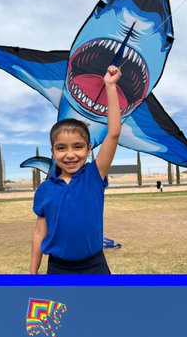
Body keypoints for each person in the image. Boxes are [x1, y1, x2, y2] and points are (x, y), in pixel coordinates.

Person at [31, 64, 121, 274]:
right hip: (58, 267)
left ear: (88, 150)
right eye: (61, 148)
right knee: (61, 308)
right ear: (52, 152)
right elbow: (39, 233)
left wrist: (110, 86)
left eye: (78, 147)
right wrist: (32, 275)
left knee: (104, 308)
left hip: (95, 265)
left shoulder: (94, 175)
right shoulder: (44, 189)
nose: (70, 155)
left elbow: (114, 133)